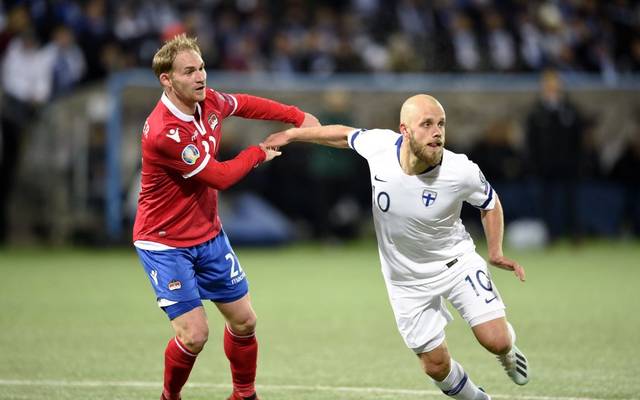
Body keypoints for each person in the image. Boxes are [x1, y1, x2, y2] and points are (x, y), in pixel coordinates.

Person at [262, 94, 529, 400]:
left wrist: (495, 251)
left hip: (456, 263)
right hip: (405, 280)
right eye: (426, 124)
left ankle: (508, 353)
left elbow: (490, 202)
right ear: (405, 130)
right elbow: (343, 135)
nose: (437, 132)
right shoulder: (381, 146)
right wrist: (293, 135)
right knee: (436, 366)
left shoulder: (460, 170)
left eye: (441, 124)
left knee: (496, 340)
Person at [132, 34, 319, 400]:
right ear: (167, 80)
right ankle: (169, 398)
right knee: (194, 335)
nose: (200, 76)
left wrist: (296, 116)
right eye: (189, 71)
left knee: (245, 321)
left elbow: (246, 103)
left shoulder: (209, 101)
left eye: (201, 67)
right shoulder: (164, 132)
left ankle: (244, 395)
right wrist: (259, 152)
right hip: (165, 242)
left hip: (208, 234)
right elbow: (219, 177)